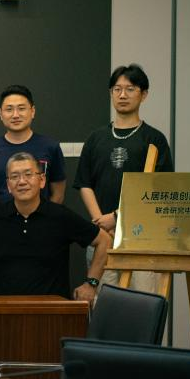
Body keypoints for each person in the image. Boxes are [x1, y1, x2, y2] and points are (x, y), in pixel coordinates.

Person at [74, 63, 173, 290]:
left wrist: (117, 217)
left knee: (143, 302)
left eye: (130, 89)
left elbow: (159, 189)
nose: (122, 95)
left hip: (142, 237)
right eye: (117, 89)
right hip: (102, 237)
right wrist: (101, 222)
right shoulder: (96, 138)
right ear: (111, 93)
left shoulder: (154, 139)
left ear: (144, 94)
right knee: (103, 302)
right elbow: (84, 183)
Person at [0, 152, 109, 301]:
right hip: (5, 307)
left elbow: (104, 240)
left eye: (28, 175)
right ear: (8, 185)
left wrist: (91, 284)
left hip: (53, 309)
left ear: (42, 180)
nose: (22, 181)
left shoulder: (60, 216)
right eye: (15, 177)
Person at [0, 85, 66, 208]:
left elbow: (58, 194)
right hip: (0, 219)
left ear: (32, 111)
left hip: (41, 219)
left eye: (21, 108)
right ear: (0, 114)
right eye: (9, 109)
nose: (15, 115)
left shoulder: (50, 147)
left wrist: (45, 216)